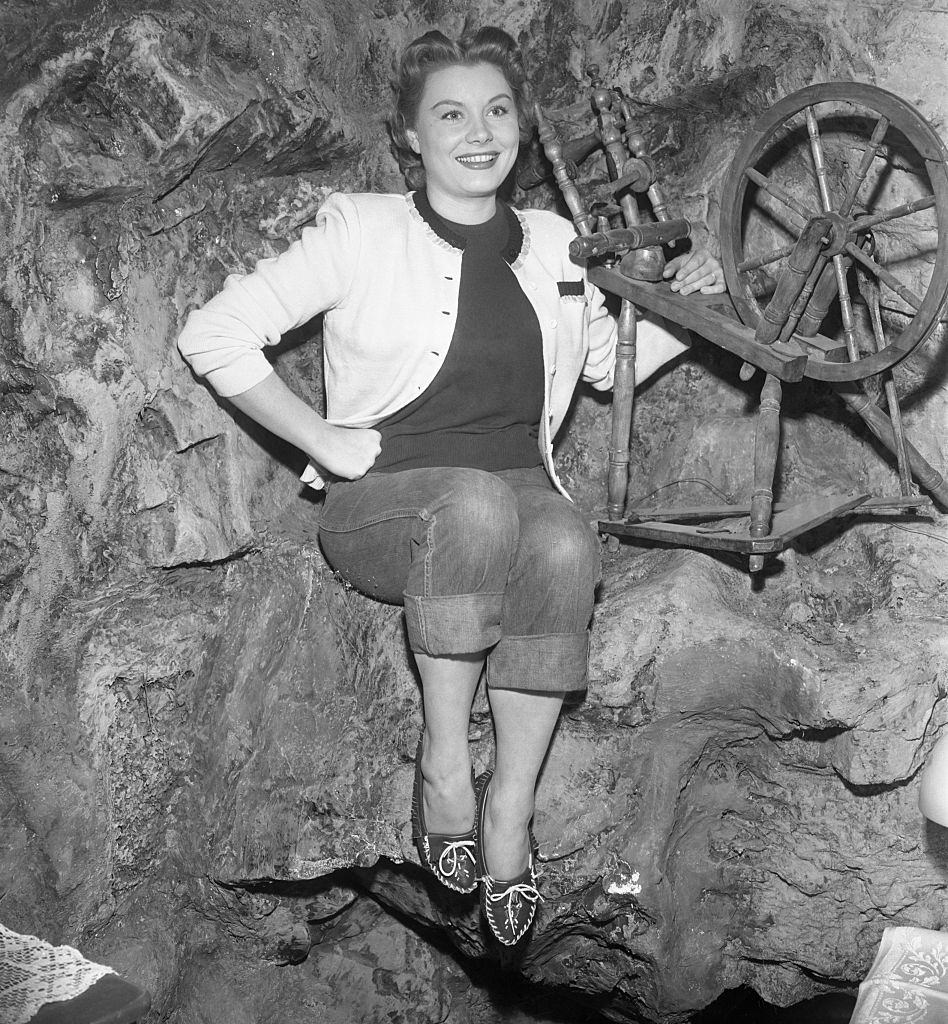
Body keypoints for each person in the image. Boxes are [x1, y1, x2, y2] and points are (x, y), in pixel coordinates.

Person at [177, 25, 724, 946]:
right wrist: (320, 437)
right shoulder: (361, 229)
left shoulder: (556, 241)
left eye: (498, 111)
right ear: (412, 137)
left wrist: (691, 309)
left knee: (561, 538)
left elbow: (601, 366)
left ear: (520, 127)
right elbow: (214, 333)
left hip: (520, 488)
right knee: (473, 504)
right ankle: (443, 768)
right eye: (452, 114)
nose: (480, 133)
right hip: (387, 502)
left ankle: (508, 812)